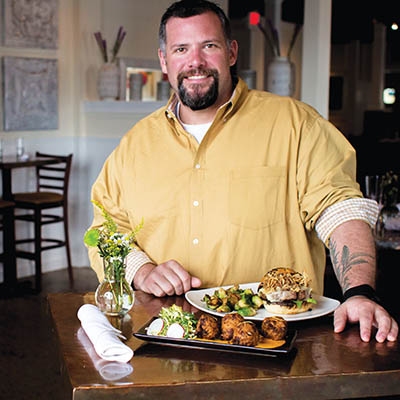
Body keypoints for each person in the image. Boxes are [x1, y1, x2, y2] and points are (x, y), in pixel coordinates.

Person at [87, 0, 398, 342]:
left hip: (278, 340)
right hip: (168, 336)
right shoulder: (134, 145)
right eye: (180, 49)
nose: (195, 62)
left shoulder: (296, 125)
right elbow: (106, 230)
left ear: (231, 52)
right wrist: (141, 270)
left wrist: (359, 293)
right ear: (164, 60)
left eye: (209, 46)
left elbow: (339, 209)